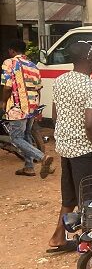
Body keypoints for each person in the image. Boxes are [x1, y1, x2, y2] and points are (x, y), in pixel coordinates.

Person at [47, 41, 92, 253]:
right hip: (85, 150)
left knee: (70, 195)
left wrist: (65, 137)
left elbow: (55, 115)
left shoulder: (60, 81)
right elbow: (90, 124)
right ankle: (91, 244)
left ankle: (58, 237)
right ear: (88, 58)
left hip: (65, 149)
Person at [2, 39, 53, 178]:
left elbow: (7, 87)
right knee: (26, 135)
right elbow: (38, 89)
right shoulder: (33, 66)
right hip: (32, 106)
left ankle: (42, 157)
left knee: (16, 138)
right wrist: (36, 108)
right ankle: (29, 167)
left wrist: (2, 102)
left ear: (12, 50)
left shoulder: (9, 63)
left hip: (17, 108)